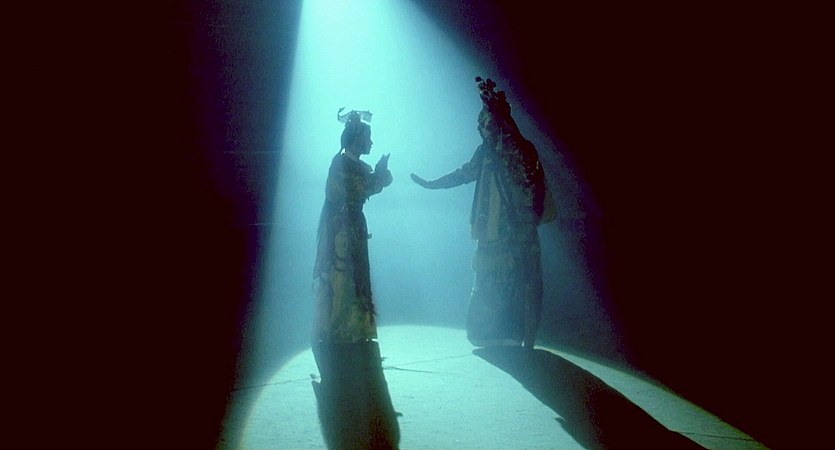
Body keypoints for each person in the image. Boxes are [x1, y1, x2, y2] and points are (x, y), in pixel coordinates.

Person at [411, 77, 555, 349]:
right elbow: (463, 174)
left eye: (485, 122)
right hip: (489, 231)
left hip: (512, 232)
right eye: (480, 123)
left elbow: (531, 190)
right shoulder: (486, 152)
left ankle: (513, 332)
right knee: (488, 280)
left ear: (497, 122)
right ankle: (487, 332)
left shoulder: (521, 151)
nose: (480, 127)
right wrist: (431, 184)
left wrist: (525, 223)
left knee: (514, 281)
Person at [311, 108, 399, 450]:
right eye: (367, 137)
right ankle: (338, 330)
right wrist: (377, 178)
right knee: (341, 280)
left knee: (356, 281)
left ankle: (355, 329)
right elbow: (351, 190)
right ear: (355, 138)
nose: (371, 142)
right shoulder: (341, 164)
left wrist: (378, 176)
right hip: (341, 232)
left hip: (353, 229)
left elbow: (367, 188)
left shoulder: (354, 165)